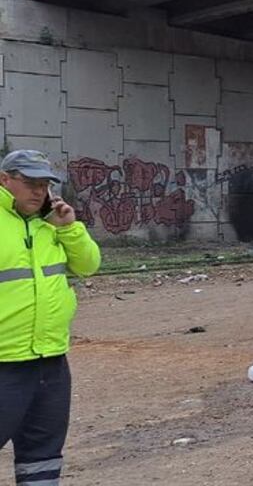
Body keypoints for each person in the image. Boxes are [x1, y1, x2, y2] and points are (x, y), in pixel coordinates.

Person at [0, 150, 101, 486]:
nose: (38, 191)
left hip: (51, 361)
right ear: (5, 180)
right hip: (5, 361)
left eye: (44, 184)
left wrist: (69, 228)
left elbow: (88, 265)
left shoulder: (51, 225)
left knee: (42, 458)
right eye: (30, 183)